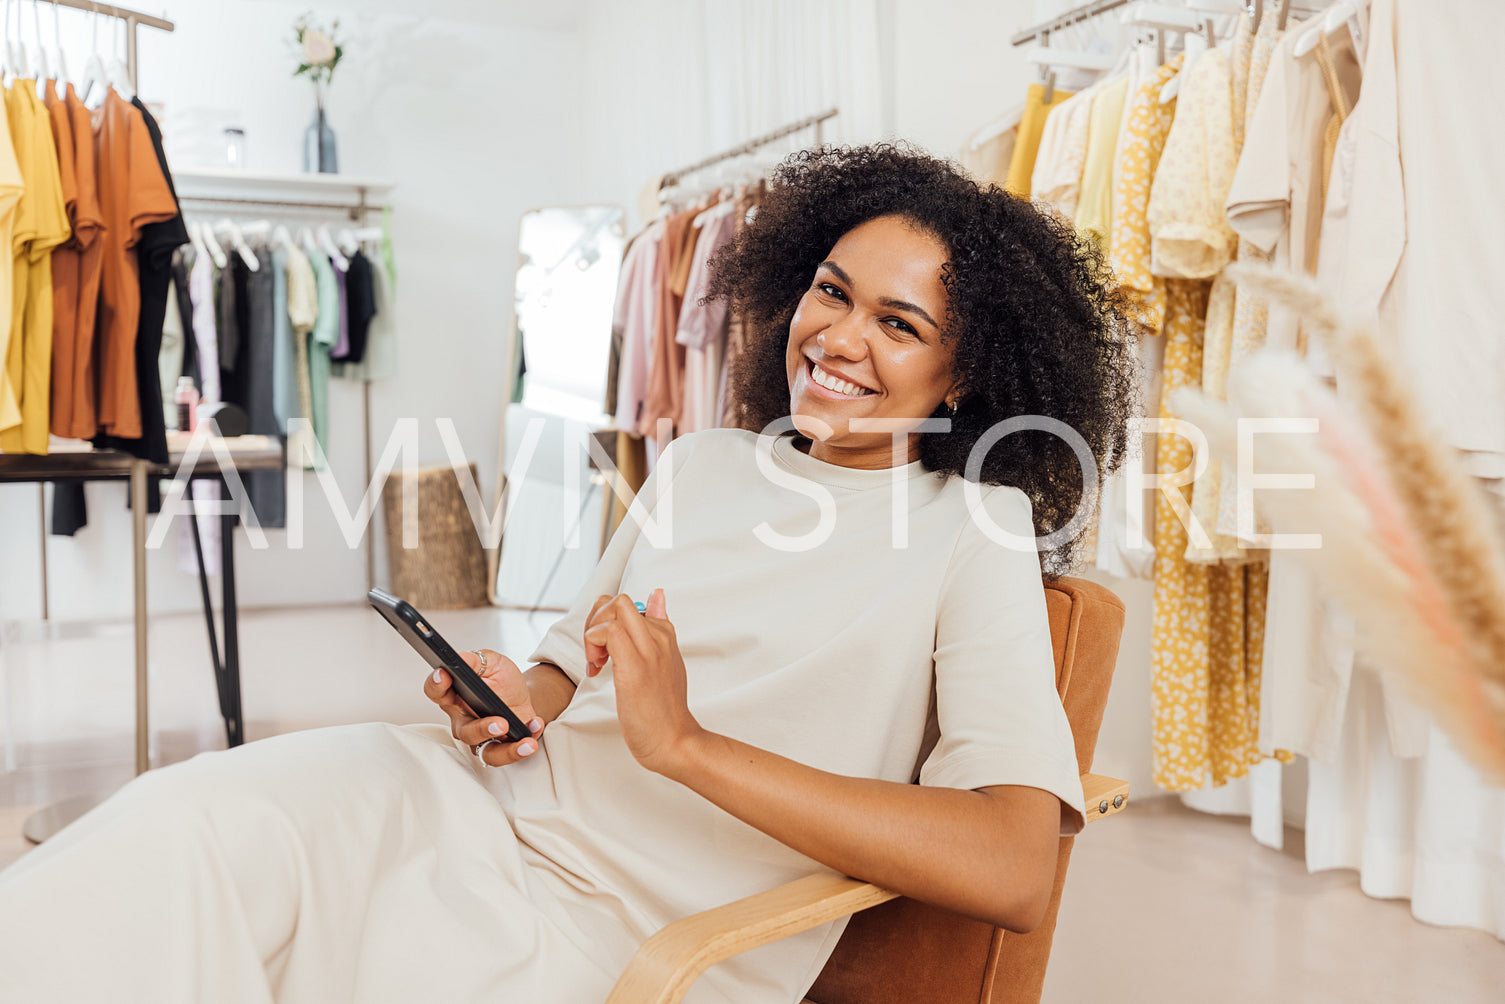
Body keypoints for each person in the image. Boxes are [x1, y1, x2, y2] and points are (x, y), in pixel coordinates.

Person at [0, 144, 1138, 1003]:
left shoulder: (968, 531)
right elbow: (567, 664)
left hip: (612, 925)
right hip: (462, 807)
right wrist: (512, 698)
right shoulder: (699, 463)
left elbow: (1011, 866)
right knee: (175, 831)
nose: (839, 340)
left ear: (962, 375)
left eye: (898, 323)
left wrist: (686, 746)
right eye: (831, 292)